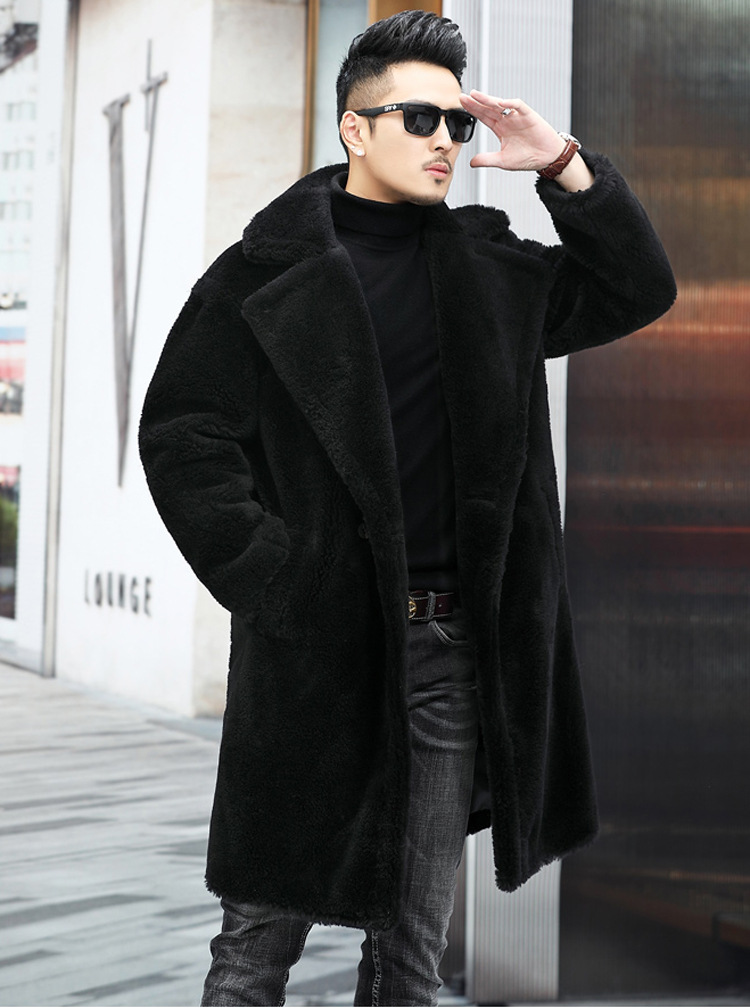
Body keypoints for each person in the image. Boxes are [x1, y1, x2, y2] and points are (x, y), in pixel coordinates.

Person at [139, 9, 676, 1006]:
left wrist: (562, 162)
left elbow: (637, 288)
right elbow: (183, 434)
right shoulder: (262, 274)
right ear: (355, 128)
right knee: (256, 949)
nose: (445, 142)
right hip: (314, 650)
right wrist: (276, 578)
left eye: (456, 124)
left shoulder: (491, 271)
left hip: (446, 656)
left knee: (410, 959)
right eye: (420, 119)